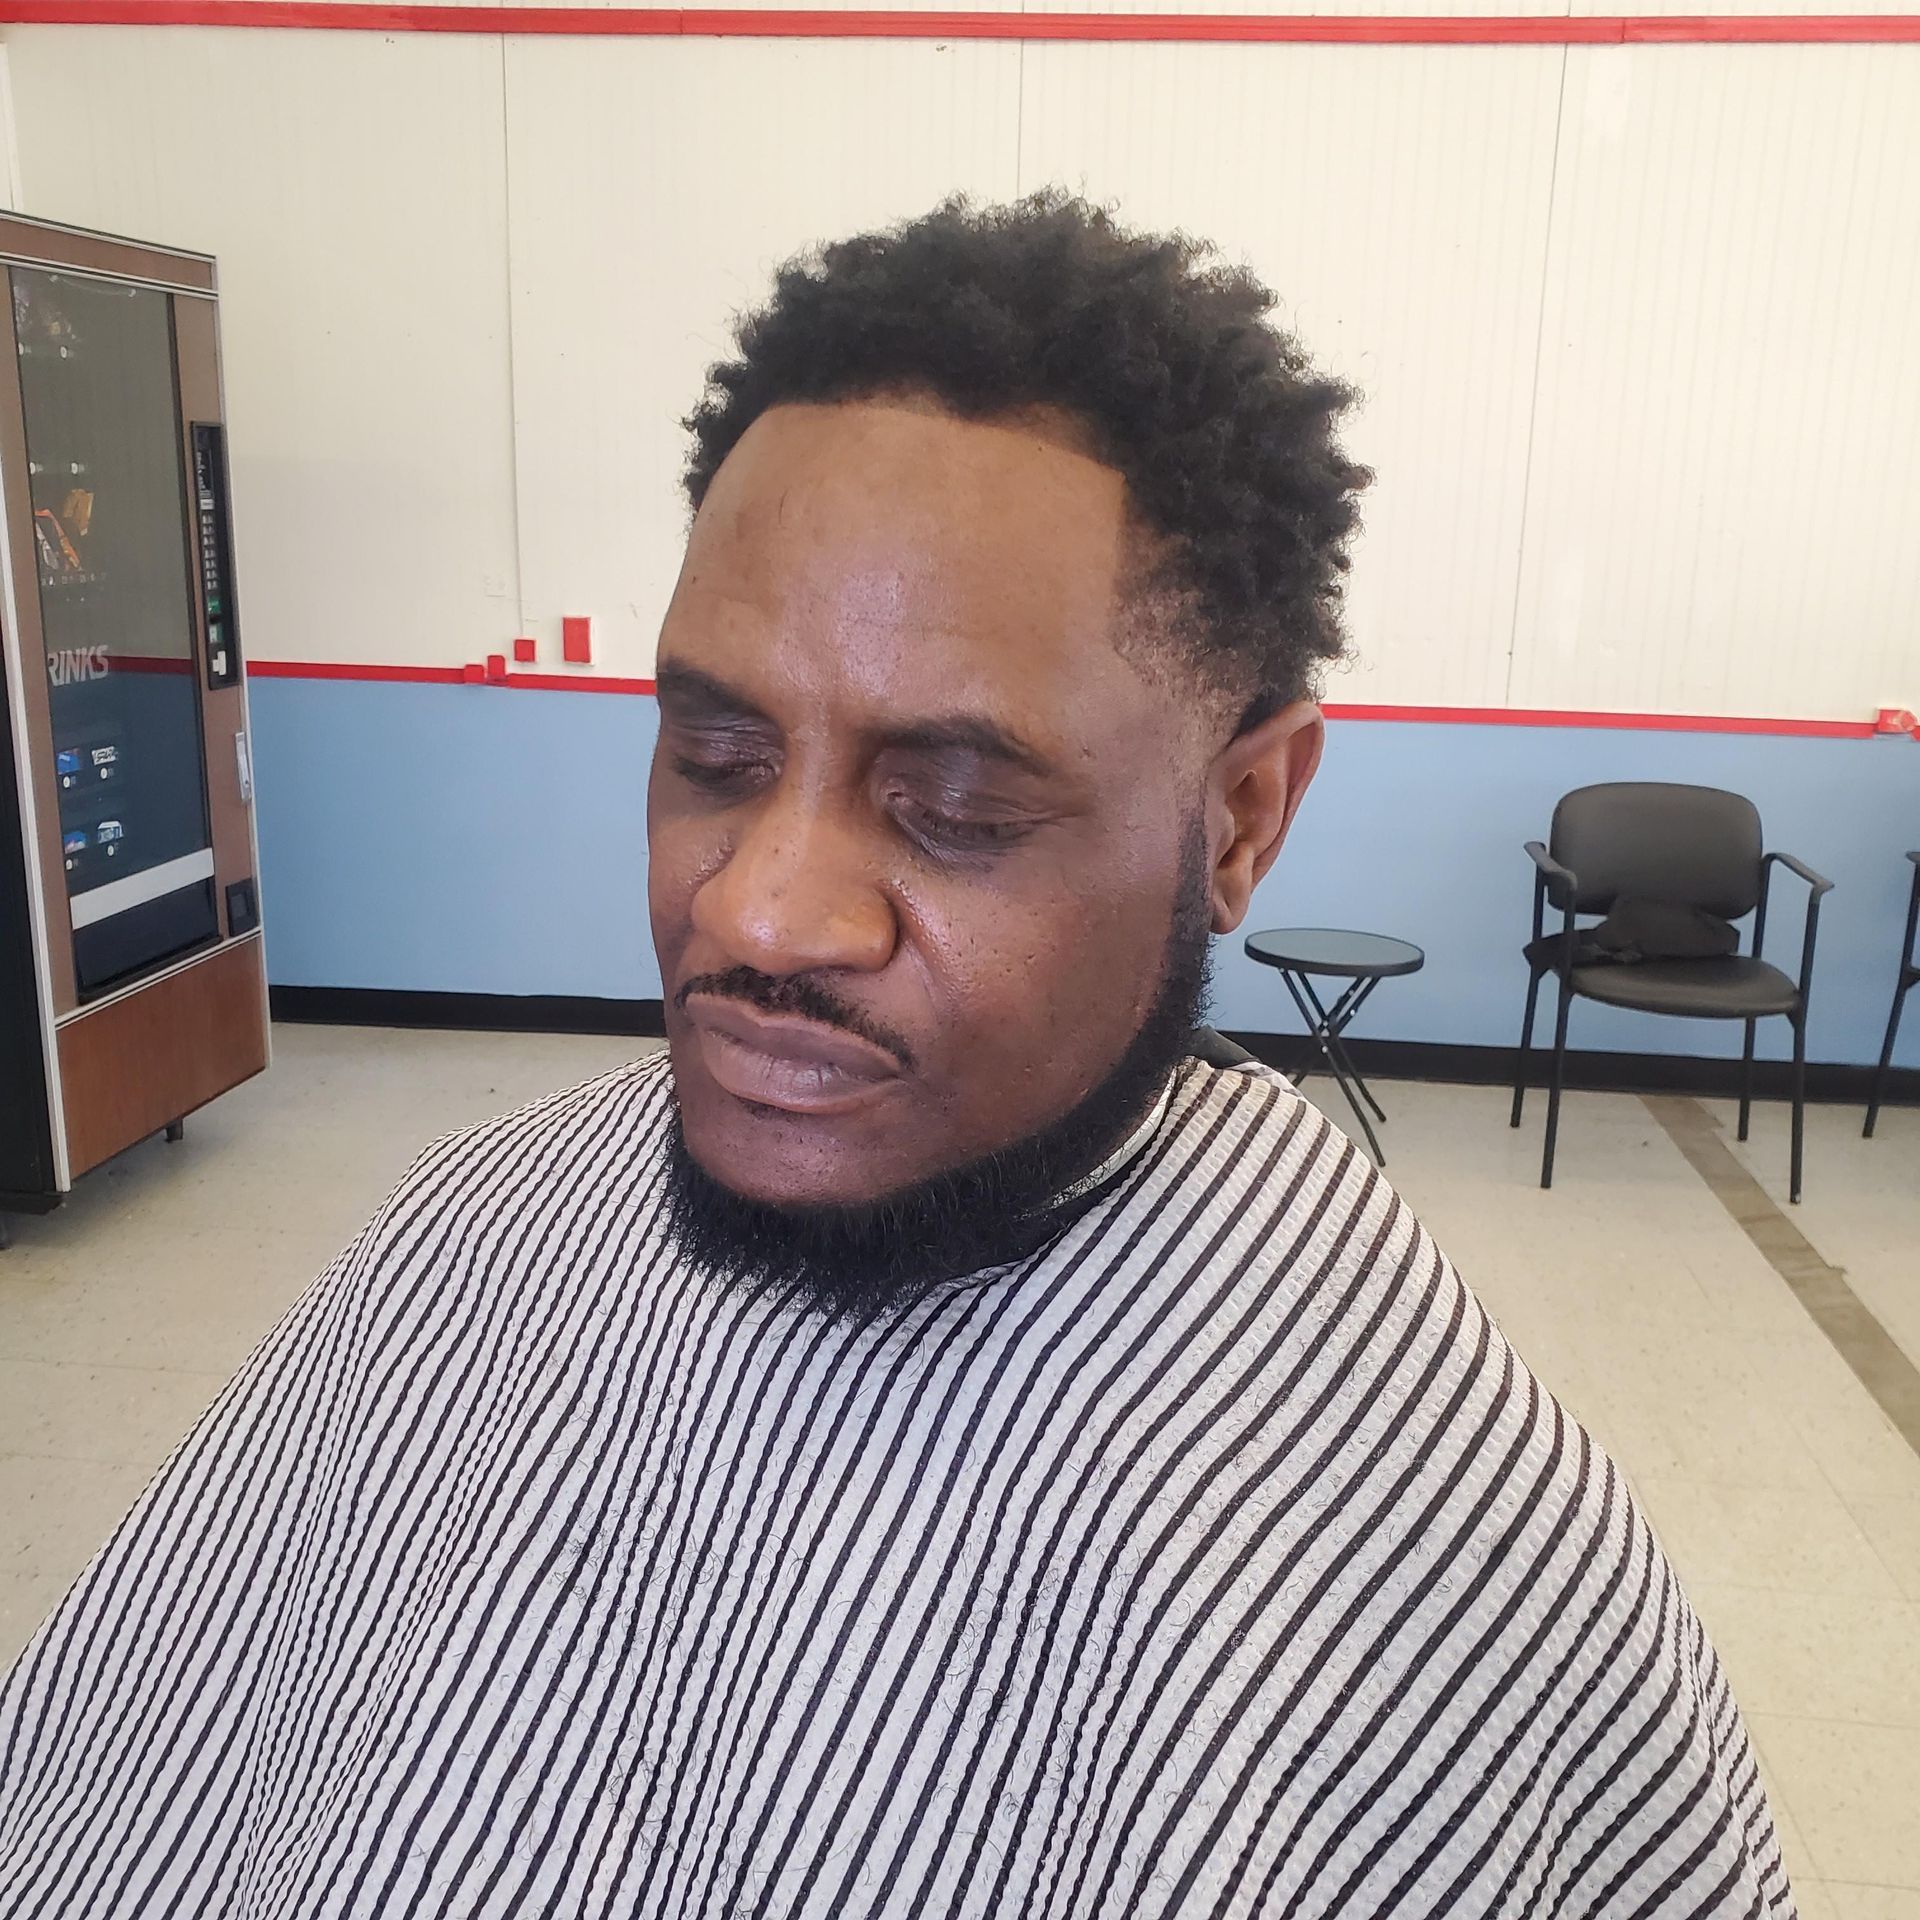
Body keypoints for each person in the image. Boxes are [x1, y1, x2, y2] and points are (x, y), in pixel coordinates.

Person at [0, 195, 1791, 1920]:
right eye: (710, 760)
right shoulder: (481, 1230)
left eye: (949, 810)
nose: (764, 912)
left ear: (1242, 816)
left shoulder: (1424, 1544)